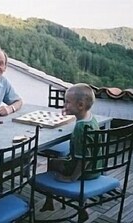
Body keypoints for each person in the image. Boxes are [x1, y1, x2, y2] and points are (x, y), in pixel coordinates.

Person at [40, 83, 102, 218]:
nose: (64, 105)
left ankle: (50, 200)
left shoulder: (81, 128)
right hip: (96, 168)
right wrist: (69, 111)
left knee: (52, 163)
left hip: (84, 171)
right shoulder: (90, 118)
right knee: (59, 160)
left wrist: (71, 178)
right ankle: (80, 205)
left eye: (67, 102)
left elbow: (83, 159)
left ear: (80, 105)